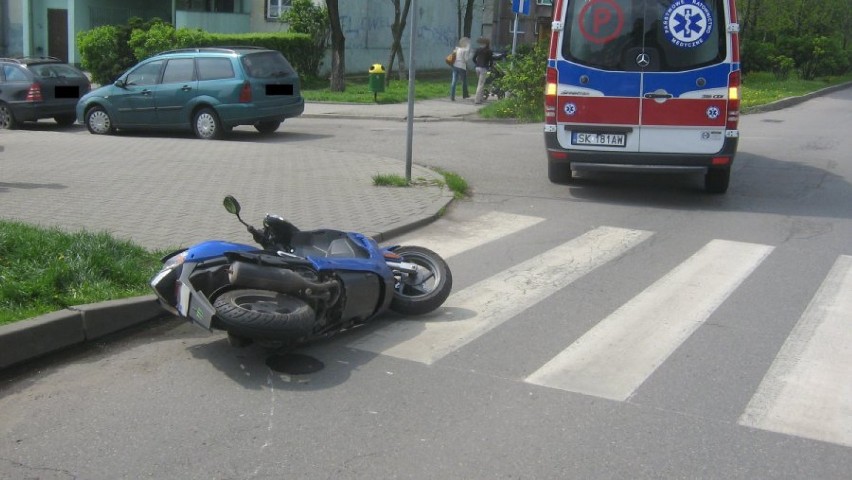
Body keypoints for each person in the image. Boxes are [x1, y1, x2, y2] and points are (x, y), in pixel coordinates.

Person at [472, 37, 494, 104]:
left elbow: (473, 58)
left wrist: (477, 63)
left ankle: (481, 98)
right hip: (484, 68)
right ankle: (477, 100)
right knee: (481, 84)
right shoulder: (489, 51)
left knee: (481, 83)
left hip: (477, 68)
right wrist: (490, 67)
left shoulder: (478, 50)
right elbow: (491, 61)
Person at [449, 37, 471, 101]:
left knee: (454, 81)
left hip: (455, 66)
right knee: (464, 81)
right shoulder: (465, 50)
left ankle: (452, 96)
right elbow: (466, 59)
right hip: (462, 67)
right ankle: (465, 95)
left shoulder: (457, 49)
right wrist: (471, 54)